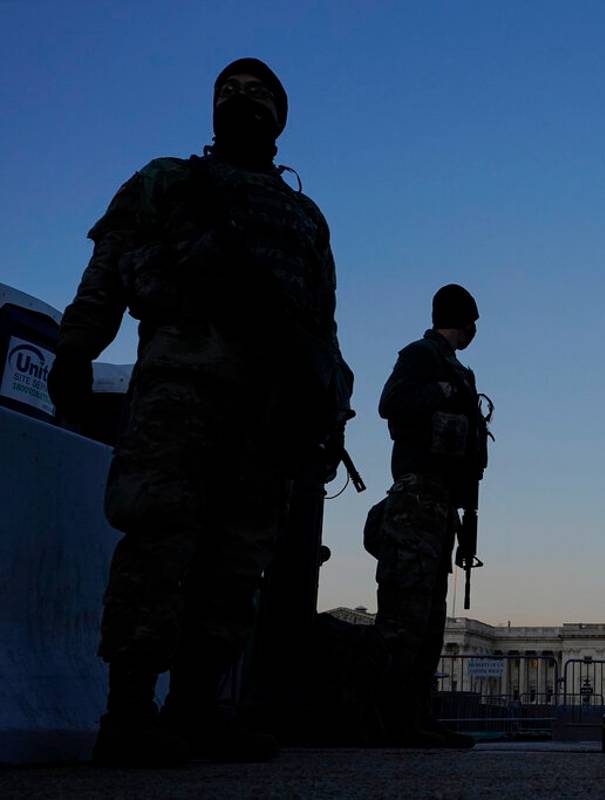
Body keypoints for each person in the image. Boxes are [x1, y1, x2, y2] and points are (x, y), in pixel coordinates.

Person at [48, 58, 353, 766]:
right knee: (159, 543)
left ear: (281, 117)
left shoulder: (305, 217)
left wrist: (327, 414)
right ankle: (127, 713)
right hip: (180, 388)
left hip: (267, 407)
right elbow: (106, 272)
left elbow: (321, 326)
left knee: (238, 563)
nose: (240, 102)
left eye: (257, 95)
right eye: (227, 92)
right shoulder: (168, 180)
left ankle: (193, 708)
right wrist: (74, 349)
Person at [370, 284, 487, 748]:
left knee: (433, 615)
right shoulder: (421, 355)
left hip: (443, 500)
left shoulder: (461, 370)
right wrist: (441, 389)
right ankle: (391, 718)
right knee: (406, 612)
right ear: (465, 320)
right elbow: (390, 404)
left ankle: (416, 714)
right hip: (417, 493)